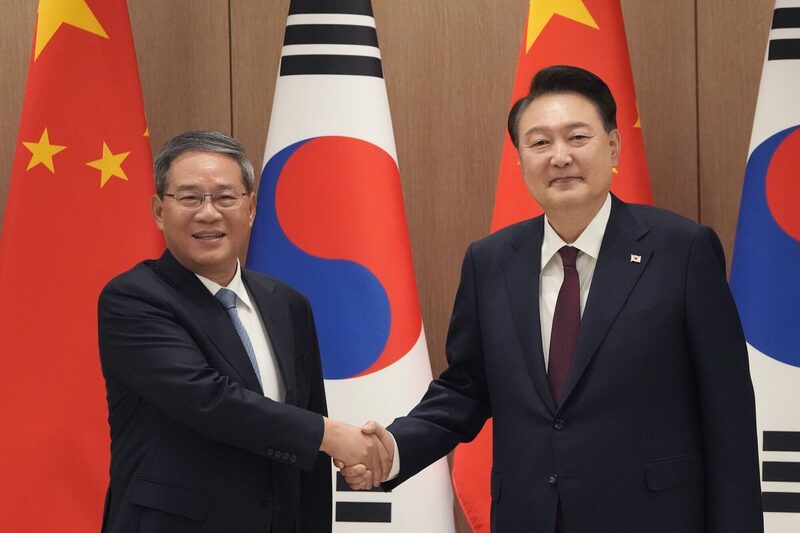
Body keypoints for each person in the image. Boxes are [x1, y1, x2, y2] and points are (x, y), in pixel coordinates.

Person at [342, 66, 764, 532]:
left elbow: (729, 417)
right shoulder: (491, 261)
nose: (559, 157)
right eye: (540, 143)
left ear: (614, 146)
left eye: (577, 137)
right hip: (531, 518)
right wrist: (395, 448)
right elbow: (466, 388)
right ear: (520, 160)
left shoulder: (681, 251)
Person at [98, 131, 389, 533]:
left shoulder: (287, 304)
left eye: (224, 197)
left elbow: (308, 439)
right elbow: (208, 400)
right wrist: (332, 435)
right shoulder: (134, 299)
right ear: (159, 210)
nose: (208, 213)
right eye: (189, 197)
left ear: (251, 208)